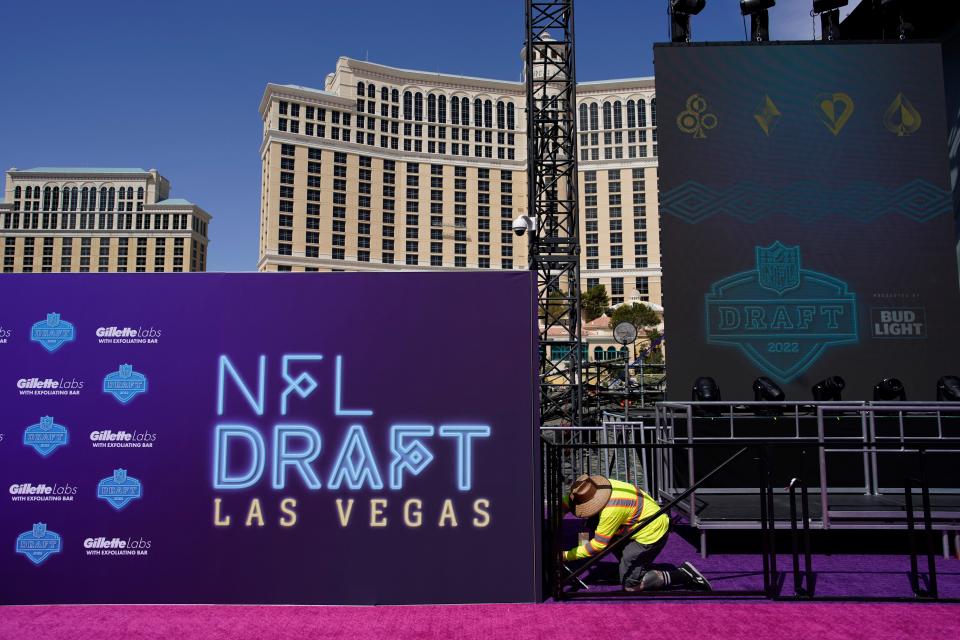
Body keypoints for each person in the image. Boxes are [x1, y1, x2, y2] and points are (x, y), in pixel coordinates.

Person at [562, 474, 711, 592]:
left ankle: (683, 574)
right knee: (590, 523)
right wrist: (554, 520)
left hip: (650, 532)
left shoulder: (611, 511)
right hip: (637, 519)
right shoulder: (597, 487)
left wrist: (566, 556)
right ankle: (628, 567)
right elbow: (568, 501)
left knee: (630, 585)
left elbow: (597, 546)